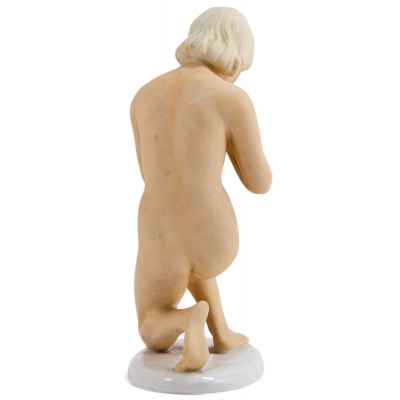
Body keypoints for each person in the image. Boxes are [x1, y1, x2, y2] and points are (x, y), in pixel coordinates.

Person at [130, 7, 272, 372]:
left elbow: (149, 172)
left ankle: (188, 319)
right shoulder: (231, 98)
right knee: (195, 261)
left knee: (151, 325)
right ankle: (219, 331)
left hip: (159, 228)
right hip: (214, 233)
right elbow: (259, 183)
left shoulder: (143, 96)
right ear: (235, 54)